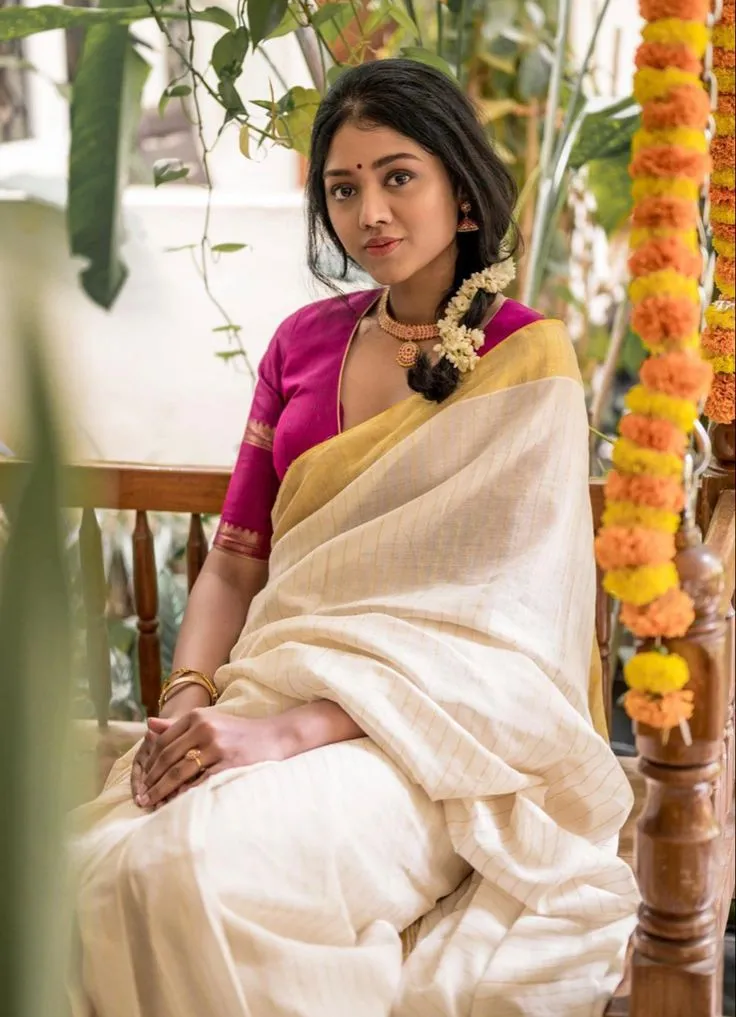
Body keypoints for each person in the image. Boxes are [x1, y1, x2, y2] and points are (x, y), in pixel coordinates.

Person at [68, 59, 640, 1017]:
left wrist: (288, 732)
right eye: (343, 188)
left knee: (194, 872)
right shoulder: (301, 342)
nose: (369, 210)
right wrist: (189, 705)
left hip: (427, 747)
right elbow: (239, 559)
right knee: (95, 873)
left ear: (462, 193)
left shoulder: (526, 358)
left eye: (397, 176)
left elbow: (503, 634)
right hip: (260, 694)